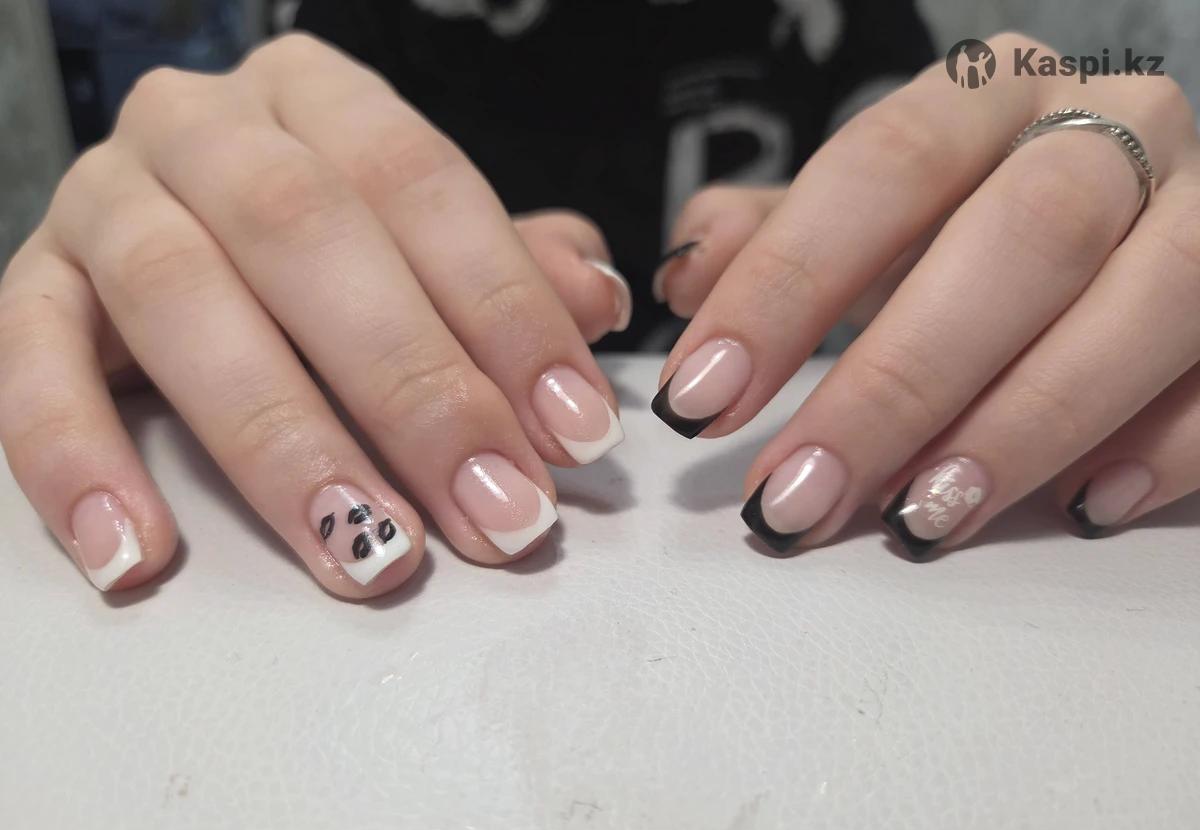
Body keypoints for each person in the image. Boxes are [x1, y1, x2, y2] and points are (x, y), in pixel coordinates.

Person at [2, 2, 1198, 599]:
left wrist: (1078, 200)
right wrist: (152, 253)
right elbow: (226, 163)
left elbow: (1003, 93)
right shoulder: (349, 25)